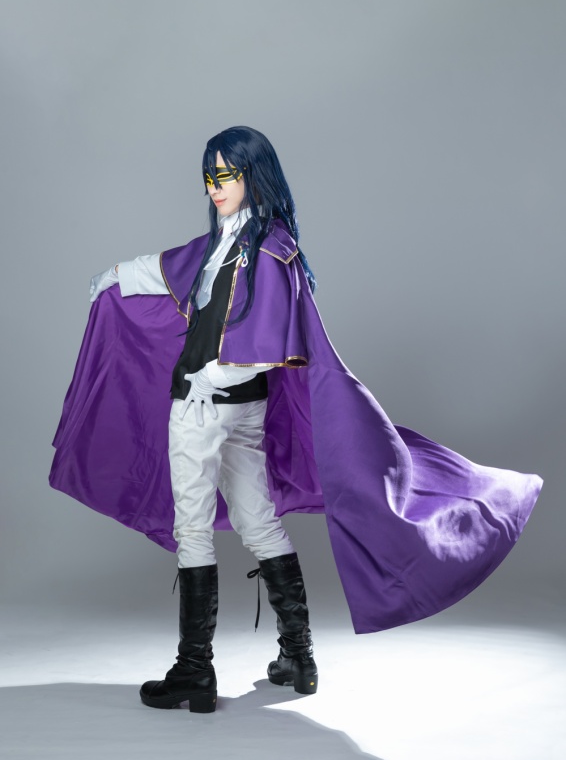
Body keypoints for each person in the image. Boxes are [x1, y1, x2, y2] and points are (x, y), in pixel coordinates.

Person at [50, 125, 543, 714]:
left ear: (253, 174)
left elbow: (270, 344)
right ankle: (298, 656)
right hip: (243, 409)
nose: (214, 187)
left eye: (225, 175)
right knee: (259, 522)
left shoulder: (267, 249)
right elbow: (171, 268)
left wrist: (208, 378)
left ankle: (196, 669)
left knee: (195, 530)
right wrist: (116, 275)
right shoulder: (239, 242)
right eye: (209, 176)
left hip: (205, 406)